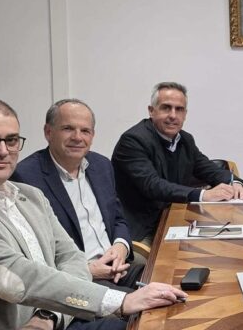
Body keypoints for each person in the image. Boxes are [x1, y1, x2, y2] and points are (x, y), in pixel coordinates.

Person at [0, 96, 186, 330]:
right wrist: (122, 301)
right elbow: (13, 274)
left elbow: (71, 257)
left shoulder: (30, 196)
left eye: (11, 140)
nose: (3, 151)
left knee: (172, 310)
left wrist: (49, 316)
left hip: (56, 317)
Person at [12, 99, 145, 293]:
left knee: (171, 282)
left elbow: (117, 218)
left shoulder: (101, 165)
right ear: (48, 132)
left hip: (119, 267)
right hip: (79, 280)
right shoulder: (26, 177)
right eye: (68, 128)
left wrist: (120, 247)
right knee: (149, 311)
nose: (77, 137)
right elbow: (34, 251)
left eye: (85, 131)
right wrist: (88, 270)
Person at [113, 82, 243, 244]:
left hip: (176, 218)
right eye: (166, 108)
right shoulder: (134, 140)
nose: (173, 115)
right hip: (143, 230)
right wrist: (203, 195)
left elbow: (208, 169)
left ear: (185, 114)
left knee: (225, 245)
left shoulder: (185, 139)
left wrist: (235, 183)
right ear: (151, 111)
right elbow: (153, 185)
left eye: (179, 109)